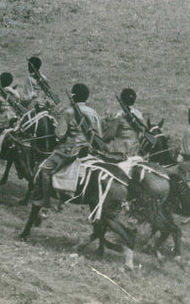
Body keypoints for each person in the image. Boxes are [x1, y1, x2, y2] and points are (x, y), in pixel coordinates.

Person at [32, 83, 102, 214]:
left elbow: (59, 134)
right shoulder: (93, 113)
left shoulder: (69, 112)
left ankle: (45, 204)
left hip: (69, 150)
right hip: (88, 150)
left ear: (74, 96)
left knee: (45, 170)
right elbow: (99, 134)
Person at [100, 87, 145, 161]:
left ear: (122, 100)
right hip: (135, 149)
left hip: (120, 150)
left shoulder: (119, 115)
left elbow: (110, 134)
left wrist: (102, 139)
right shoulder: (139, 115)